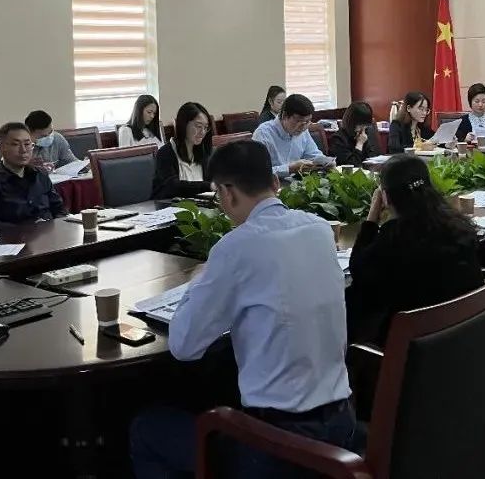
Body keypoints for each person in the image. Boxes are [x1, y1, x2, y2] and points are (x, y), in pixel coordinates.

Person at [130, 140, 355, 478]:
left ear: (226, 192)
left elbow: (184, 346)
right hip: (340, 424)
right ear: (275, 182)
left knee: (148, 428)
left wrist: (197, 280)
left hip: (277, 445)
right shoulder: (320, 229)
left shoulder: (236, 247)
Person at [346, 154, 483, 345]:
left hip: (413, 351)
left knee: (355, 301)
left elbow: (358, 270)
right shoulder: (456, 224)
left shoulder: (395, 237)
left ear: (386, 196)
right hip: (465, 340)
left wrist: (371, 218)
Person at [0, 122, 66, 233]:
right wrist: (25, 231)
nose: (23, 150)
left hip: (48, 237)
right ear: (0, 148)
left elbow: (59, 209)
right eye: (16, 144)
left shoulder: (41, 175)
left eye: (27, 144)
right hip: (13, 239)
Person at [252, 93, 329, 178]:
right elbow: (258, 172)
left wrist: (326, 162)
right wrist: (289, 169)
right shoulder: (263, 134)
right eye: (299, 121)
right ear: (285, 115)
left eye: (307, 122)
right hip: (273, 184)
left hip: (298, 182)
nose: (303, 127)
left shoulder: (303, 130)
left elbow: (313, 155)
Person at [152, 102, 214, 199]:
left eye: (206, 128)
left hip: (201, 205)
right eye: (198, 126)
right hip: (171, 206)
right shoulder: (165, 153)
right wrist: (208, 186)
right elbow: (172, 187)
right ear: (183, 125)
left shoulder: (205, 153)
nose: (202, 132)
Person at [327, 101, 379, 166]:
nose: (363, 129)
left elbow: (373, 158)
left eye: (366, 125)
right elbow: (352, 165)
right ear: (351, 122)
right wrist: (359, 144)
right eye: (361, 125)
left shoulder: (365, 133)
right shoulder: (337, 139)